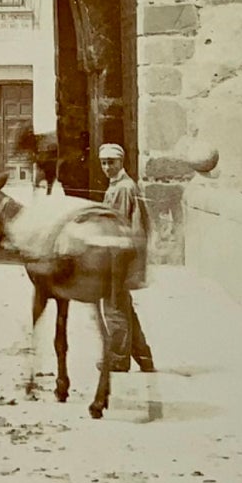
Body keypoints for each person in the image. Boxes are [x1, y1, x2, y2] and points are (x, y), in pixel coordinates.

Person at [98, 142, 154, 373]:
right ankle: (144, 357)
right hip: (125, 254)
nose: (107, 167)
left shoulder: (121, 188)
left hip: (118, 255)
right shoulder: (122, 185)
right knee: (124, 307)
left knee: (114, 308)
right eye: (103, 163)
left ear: (120, 162)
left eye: (111, 162)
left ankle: (119, 360)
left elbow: (117, 227)